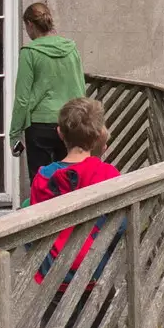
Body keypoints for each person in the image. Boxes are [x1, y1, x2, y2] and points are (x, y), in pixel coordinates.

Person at [29, 97, 121, 291]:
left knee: (54, 322)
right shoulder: (108, 175)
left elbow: (33, 228)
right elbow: (120, 225)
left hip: (53, 273)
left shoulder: (43, 178)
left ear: (60, 133)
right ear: (98, 136)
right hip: (94, 269)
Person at [9, 1, 87, 186]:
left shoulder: (29, 53)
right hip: (70, 123)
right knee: (71, 179)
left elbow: (22, 98)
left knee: (41, 182)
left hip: (39, 125)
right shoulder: (71, 48)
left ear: (30, 24)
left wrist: (14, 134)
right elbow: (80, 86)